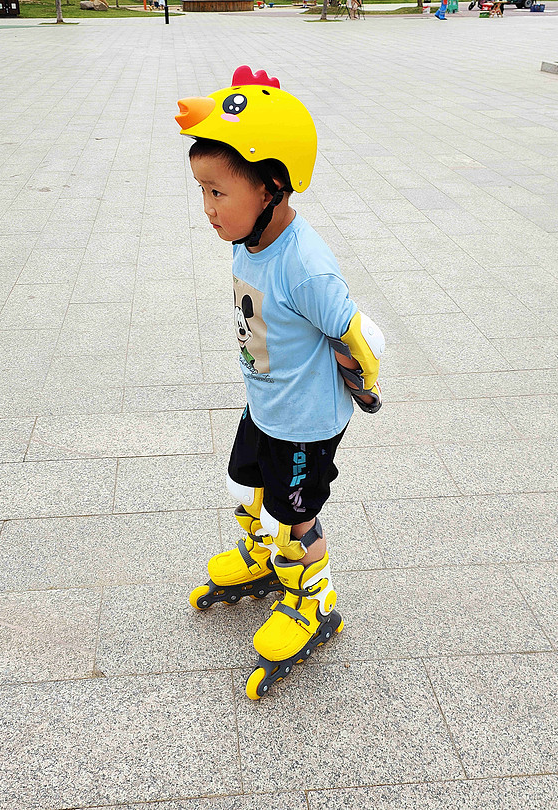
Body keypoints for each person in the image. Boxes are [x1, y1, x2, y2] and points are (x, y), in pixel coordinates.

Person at [175, 66, 385, 700]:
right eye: (201, 191)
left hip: (306, 422)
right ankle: (265, 557)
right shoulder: (250, 236)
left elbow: (353, 331)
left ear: (270, 186)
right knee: (250, 482)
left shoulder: (305, 265)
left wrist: (362, 378)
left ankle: (312, 598)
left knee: (298, 515)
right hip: (266, 400)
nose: (208, 210)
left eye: (217, 192)